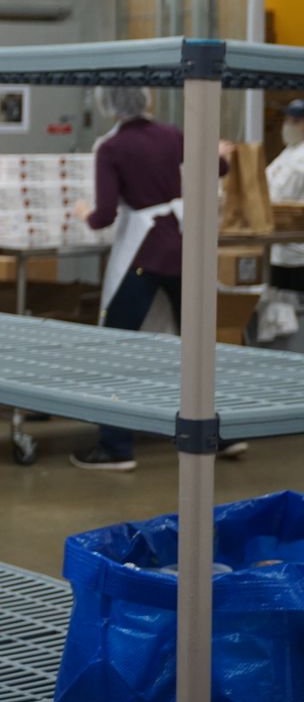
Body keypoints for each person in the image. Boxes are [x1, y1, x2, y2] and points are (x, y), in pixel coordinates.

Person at [70, 86, 241, 470]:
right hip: (184, 247)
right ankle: (222, 434)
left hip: (144, 252)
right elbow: (219, 168)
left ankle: (115, 445)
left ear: (107, 105)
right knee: (197, 345)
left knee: (116, 344)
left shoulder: (111, 149)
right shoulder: (172, 134)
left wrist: (83, 212)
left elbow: (105, 216)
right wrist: (217, 154)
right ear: (147, 99)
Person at [255, 99, 304, 348]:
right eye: (287, 120)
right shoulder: (290, 152)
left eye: (295, 121)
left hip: (295, 251)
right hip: (279, 248)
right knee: (280, 300)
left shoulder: (300, 159)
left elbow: (279, 197)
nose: (288, 126)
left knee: (291, 306)